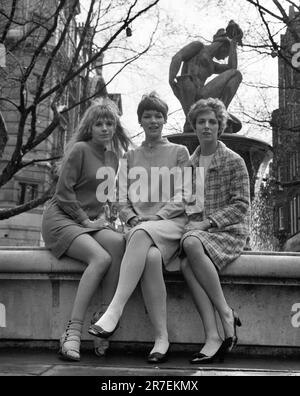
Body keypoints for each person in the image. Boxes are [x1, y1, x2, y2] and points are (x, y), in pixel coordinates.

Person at [88, 92, 190, 363]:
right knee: (151, 257)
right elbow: (119, 195)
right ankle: (161, 338)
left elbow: (185, 194)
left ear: (165, 120)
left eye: (158, 116)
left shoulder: (180, 152)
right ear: (141, 120)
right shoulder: (131, 156)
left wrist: (155, 220)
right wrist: (132, 218)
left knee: (143, 235)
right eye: (148, 116)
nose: (153, 120)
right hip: (139, 230)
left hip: (171, 225)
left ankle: (114, 310)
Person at [41, 99, 131, 362]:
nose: (104, 128)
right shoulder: (79, 149)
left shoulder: (113, 158)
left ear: (115, 127)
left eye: (109, 123)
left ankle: (103, 319)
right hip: (61, 218)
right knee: (101, 258)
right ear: (89, 127)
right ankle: (73, 331)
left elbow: (102, 198)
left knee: (118, 244)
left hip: (87, 222)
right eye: (99, 123)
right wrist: (86, 220)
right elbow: (64, 193)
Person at [180, 97, 250, 364]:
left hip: (229, 230)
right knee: (187, 264)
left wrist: (207, 224)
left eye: (212, 121)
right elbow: (191, 207)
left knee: (191, 244)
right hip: (201, 232)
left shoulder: (234, 160)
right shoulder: (190, 165)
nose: (207, 126)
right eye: (201, 122)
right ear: (194, 126)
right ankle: (212, 336)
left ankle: (225, 313)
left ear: (220, 126)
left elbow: (241, 205)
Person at [169, 21, 243, 132]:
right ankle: (214, 116)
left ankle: (221, 115)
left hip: (201, 95)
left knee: (236, 75)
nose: (223, 58)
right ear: (223, 46)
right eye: (226, 54)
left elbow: (232, 68)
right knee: (235, 73)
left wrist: (233, 44)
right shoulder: (198, 47)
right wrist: (172, 79)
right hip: (189, 91)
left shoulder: (213, 66)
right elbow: (177, 57)